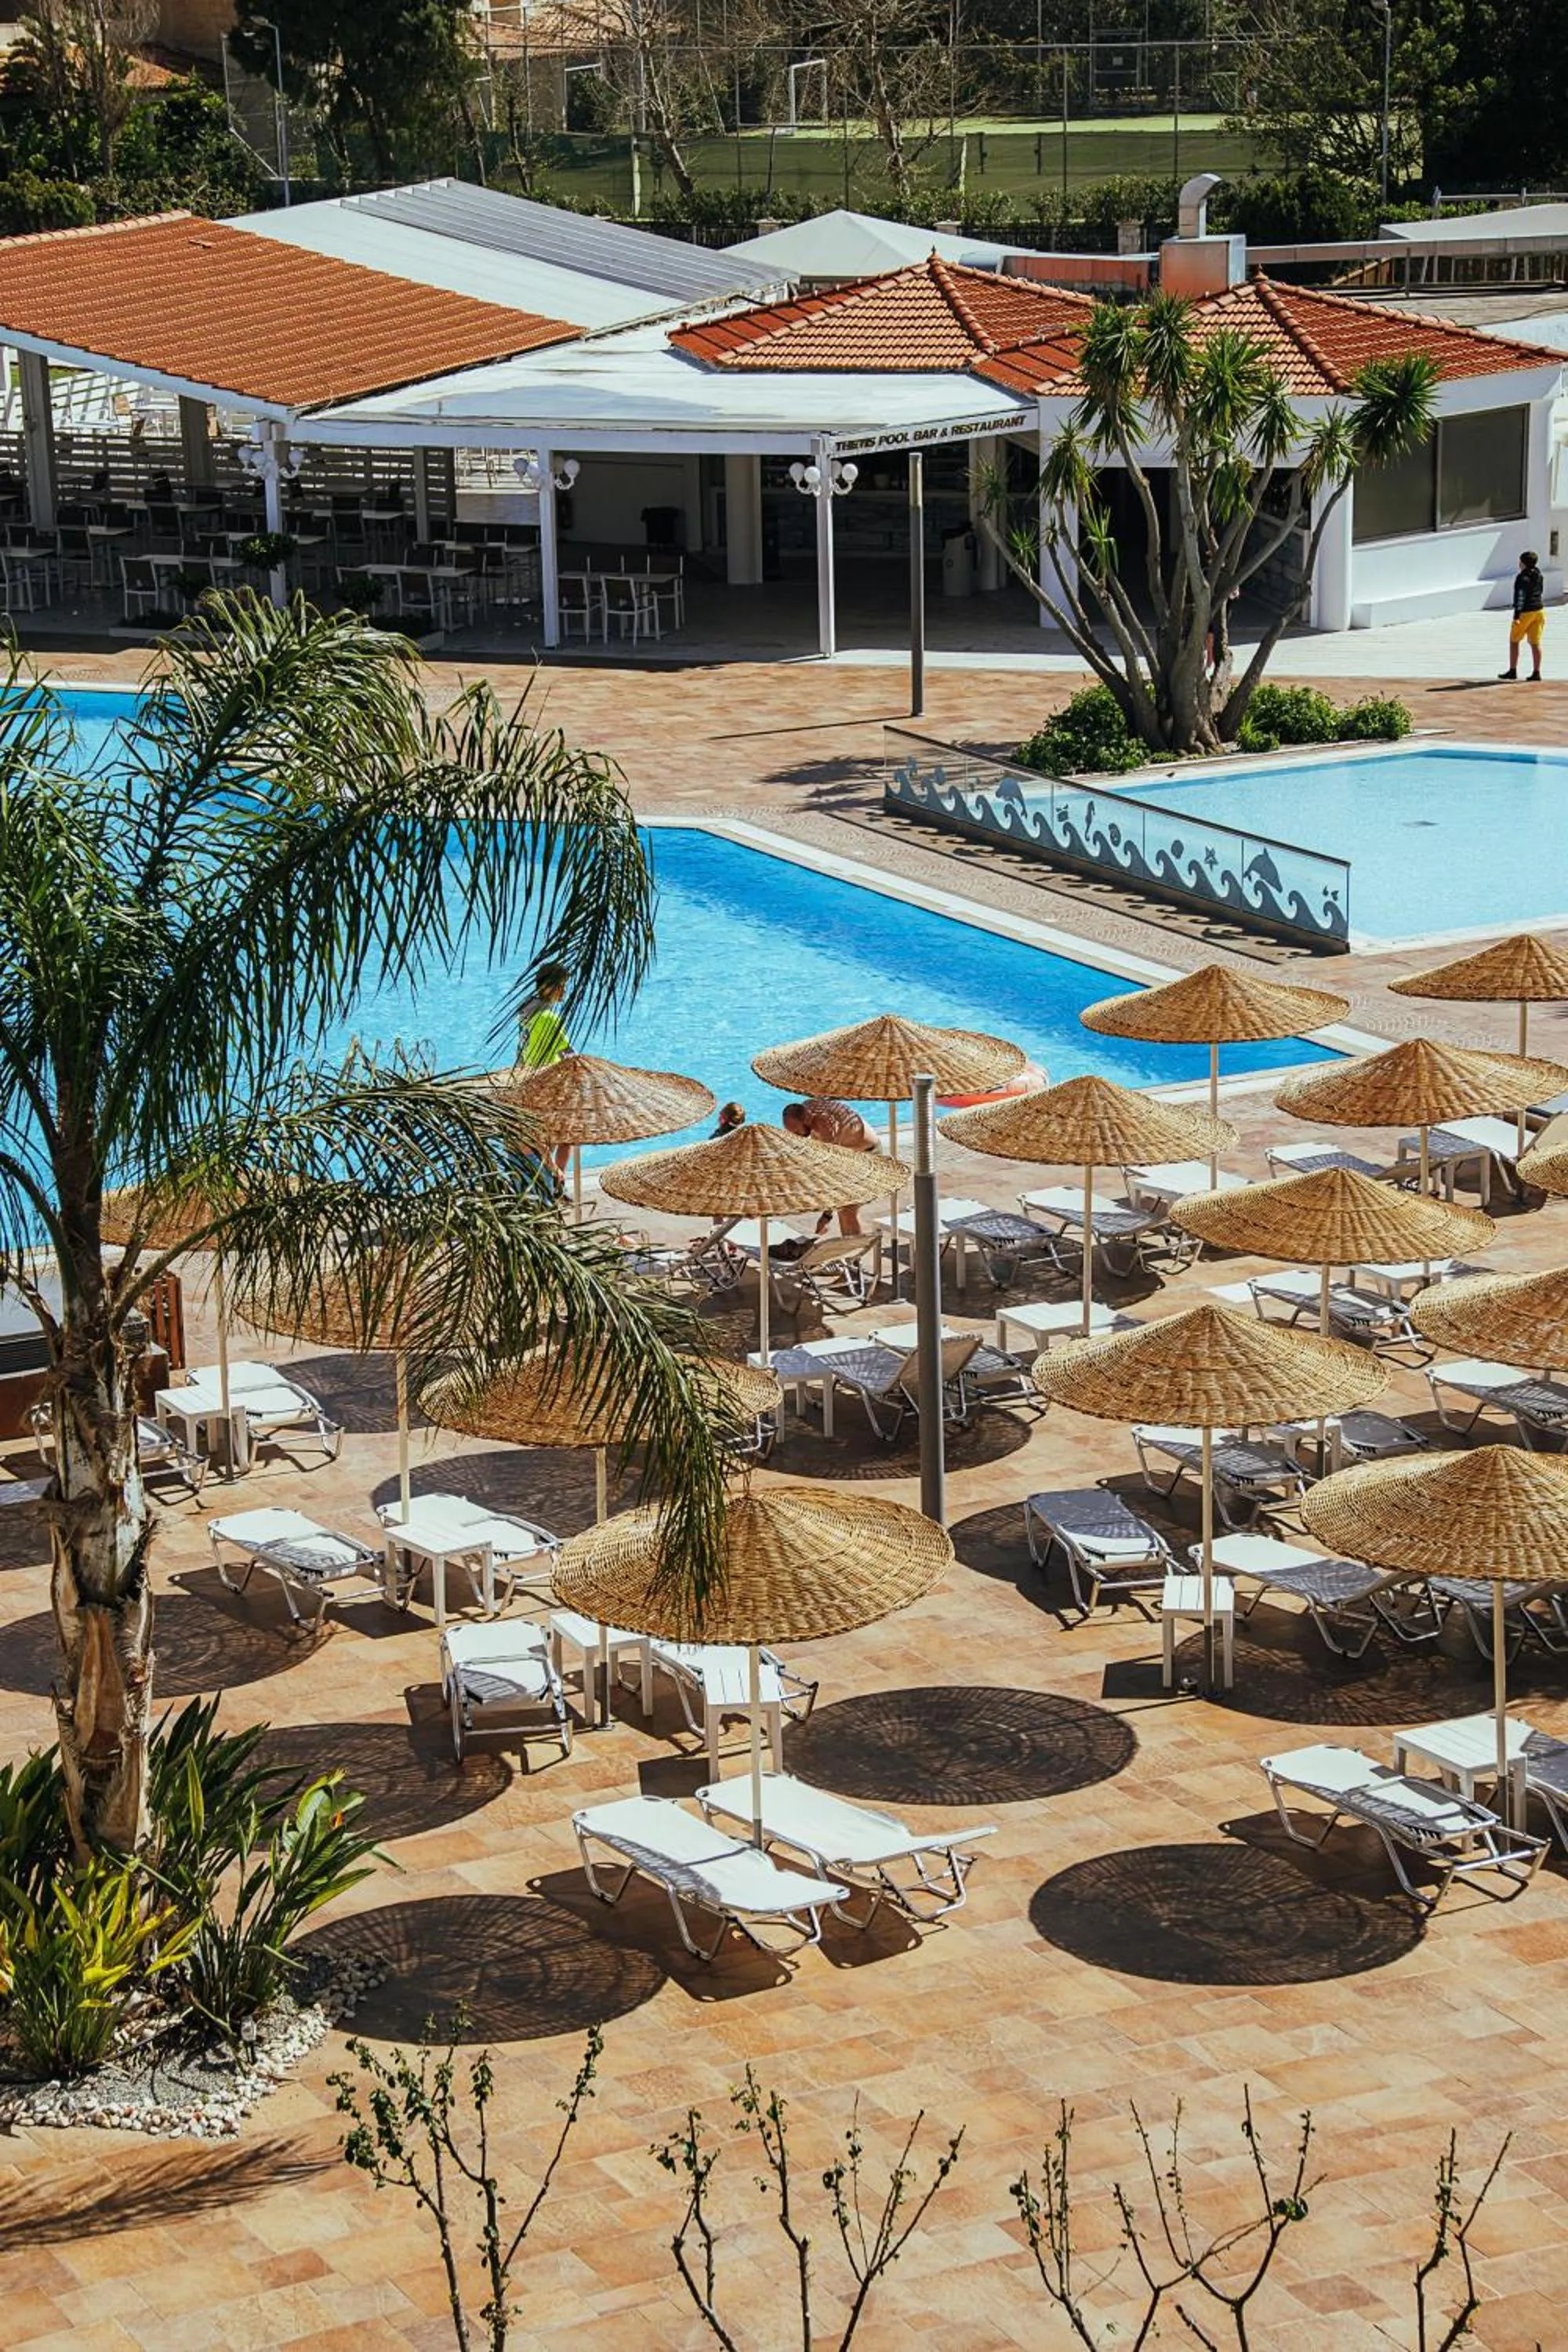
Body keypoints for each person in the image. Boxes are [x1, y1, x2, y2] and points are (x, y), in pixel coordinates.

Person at [782, 1098, 877, 1235]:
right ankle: (851, 1253)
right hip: (853, 1155)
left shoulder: (825, 1128)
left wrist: (826, 1216)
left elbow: (832, 1173)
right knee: (844, 1209)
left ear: (806, 1119)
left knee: (847, 1210)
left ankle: (854, 1255)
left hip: (870, 1155)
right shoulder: (807, 1108)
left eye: (797, 1132)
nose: (798, 1136)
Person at [514, 959, 572, 1175]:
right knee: (566, 1136)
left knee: (548, 1136)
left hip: (528, 1079)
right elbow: (569, 1053)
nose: (564, 991)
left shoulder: (527, 1011)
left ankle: (552, 1177)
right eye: (562, 986)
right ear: (549, 986)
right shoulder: (548, 1017)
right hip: (550, 1083)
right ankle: (558, 1178)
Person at [515, 960, 572, 1070]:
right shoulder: (545, 1016)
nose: (564, 991)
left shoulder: (527, 1007)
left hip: (528, 1065)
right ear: (547, 987)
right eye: (561, 986)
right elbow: (565, 1050)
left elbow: (523, 1042)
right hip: (543, 1069)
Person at [1501, 550, 1546, 681]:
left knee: (1514, 641)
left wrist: (1516, 615)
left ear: (1524, 563)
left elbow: (1520, 597)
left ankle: (1513, 670)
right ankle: (1536, 672)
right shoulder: (1539, 575)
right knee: (1535, 643)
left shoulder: (1522, 578)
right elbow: (1541, 591)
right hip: (1539, 611)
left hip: (1526, 612)